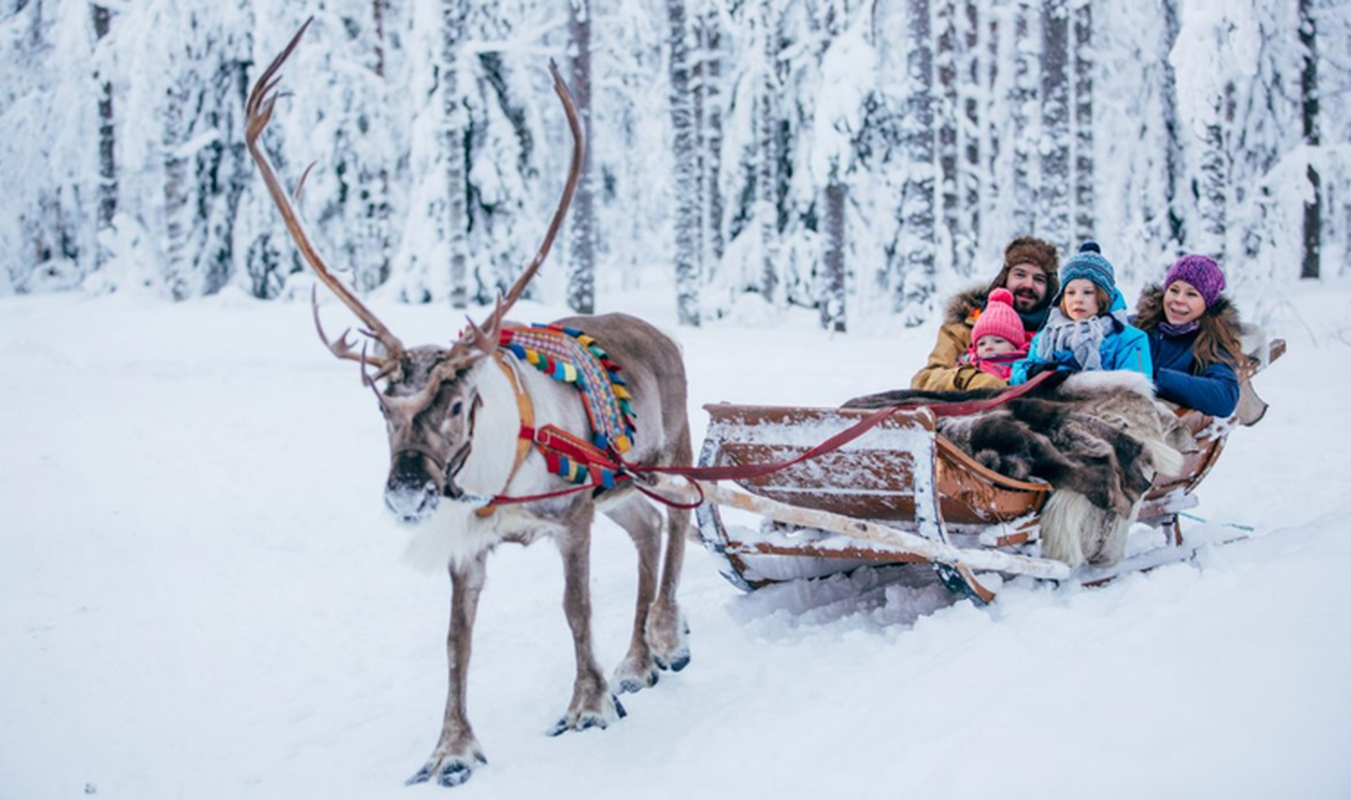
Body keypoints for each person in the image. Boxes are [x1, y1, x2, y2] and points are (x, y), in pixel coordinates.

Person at [910, 236, 1059, 391]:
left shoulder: (1058, 334)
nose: (1028, 284)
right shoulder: (964, 328)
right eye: (1020, 274)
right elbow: (925, 380)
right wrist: (974, 380)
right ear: (1004, 278)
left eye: (1039, 279)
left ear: (1049, 289)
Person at [1010, 242, 1152, 384]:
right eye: (1070, 292)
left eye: (1088, 292)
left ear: (1103, 296)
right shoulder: (1047, 337)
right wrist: (1031, 373)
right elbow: (1017, 375)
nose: (1078, 300)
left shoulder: (1130, 340)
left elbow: (1136, 389)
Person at [1132, 254, 1243, 417]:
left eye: (1191, 294)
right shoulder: (1139, 326)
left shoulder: (1210, 341)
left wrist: (1157, 377)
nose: (1179, 300)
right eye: (1174, 290)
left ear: (1207, 304)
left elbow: (1224, 397)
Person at [958, 288, 1028, 385]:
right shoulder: (970, 364)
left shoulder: (1019, 367)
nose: (988, 347)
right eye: (982, 343)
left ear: (1014, 347)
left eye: (998, 341)